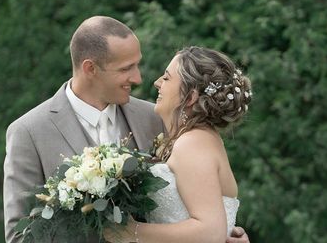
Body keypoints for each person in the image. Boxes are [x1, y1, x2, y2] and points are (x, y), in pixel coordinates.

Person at [3, 16, 250, 243]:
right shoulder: (29, 132)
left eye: (137, 65)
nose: (139, 79)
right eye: (125, 68)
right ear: (90, 68)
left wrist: (226, 234)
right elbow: (20, 236)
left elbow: (201, 201)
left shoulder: (156, 118)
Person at [104, 45, 253, 243]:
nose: (157, 83)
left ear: (190, 97)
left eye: (166, 78)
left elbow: (210, 232)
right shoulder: (196, 138)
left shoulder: (193, 143)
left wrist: (133, 232)